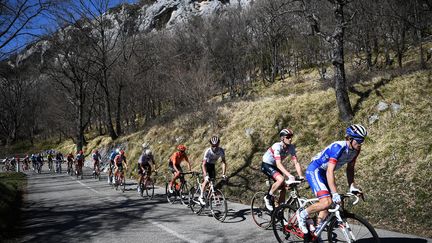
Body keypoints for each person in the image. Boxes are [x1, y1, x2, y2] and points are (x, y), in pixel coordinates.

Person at [297, 124, 367, 234]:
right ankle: (302, 214)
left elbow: (350, 168)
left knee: (333, 204)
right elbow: (330, 170)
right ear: (349, 138)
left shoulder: (356, 150)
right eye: (358, 140)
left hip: (325, 173)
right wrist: (334, 193)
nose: (360, 144)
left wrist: (352, 186)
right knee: (327, 202)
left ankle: (316, 230)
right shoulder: (338, 148)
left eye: (362, 141)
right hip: (315, 170)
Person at [261, 128, 304, 211]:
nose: (290, 139)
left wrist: (301, 176)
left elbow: (296, 162)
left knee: (283, 189)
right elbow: (279, 164)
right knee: (281, 179)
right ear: (282, 138)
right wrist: (289, 175)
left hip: (274, 166)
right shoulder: (277, 146)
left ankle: (279, 211)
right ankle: (268, 197)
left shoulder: (291, 147)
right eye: (288, 137)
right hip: (266, 164)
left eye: (291, 136)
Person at [198, 136, 227, 205]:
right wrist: (205, 174)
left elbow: (223, 162)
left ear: (218, 144)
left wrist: (223, 174)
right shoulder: (208, 151)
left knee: (212, 182)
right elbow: (203, 164)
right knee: (206, 180)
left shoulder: (221, 151)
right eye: (213, 146)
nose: (215, 147)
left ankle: (208, 195)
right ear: (211, 145)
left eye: (216, 145)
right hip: (206, 165)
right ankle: (201, 197)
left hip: (212, 166)